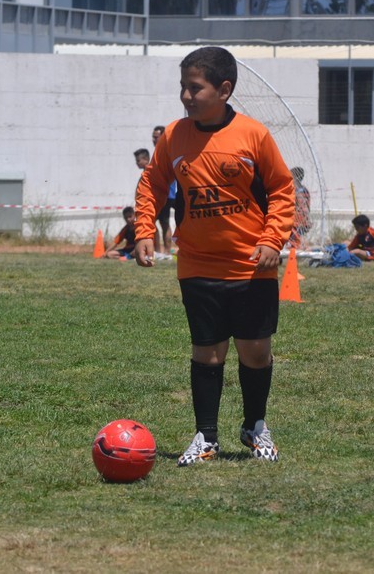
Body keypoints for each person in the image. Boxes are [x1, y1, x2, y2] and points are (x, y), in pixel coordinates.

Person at [134, 46, 295, 466]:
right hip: (198, 263)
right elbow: (152, 184)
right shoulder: (174, 136)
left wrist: (272, 240)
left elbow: (282, 190)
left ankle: (255, 425)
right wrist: (144, 229)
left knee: (255, 351)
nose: (186, 96)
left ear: (224, 90)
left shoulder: (253, 135)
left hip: (251, 266)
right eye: (183, 87)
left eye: (195, 88)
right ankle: (206, 437)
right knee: (207, 352)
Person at [151, 125, 177, 258]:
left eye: (156, 137)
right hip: (161, 193)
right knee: (158, 222)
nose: (154, 140)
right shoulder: (158, 152)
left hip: (167, 194)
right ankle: (160, 251)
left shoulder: (168, 150)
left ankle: (167, 251)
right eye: (153, 137)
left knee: (164, 222)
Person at [290, 166, 311, 248]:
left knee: (296, 242)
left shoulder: (296, 190)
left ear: (295, 177)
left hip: (296, 220)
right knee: (297, 240)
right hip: (302, 219)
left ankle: (299, 250)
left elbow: (301, 205)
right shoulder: (304, 189)